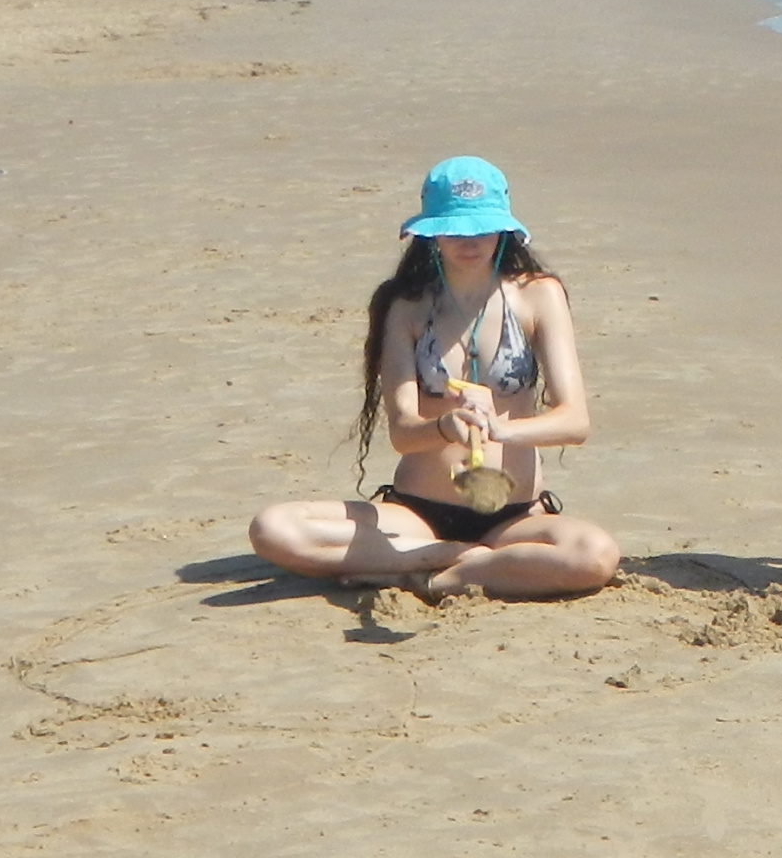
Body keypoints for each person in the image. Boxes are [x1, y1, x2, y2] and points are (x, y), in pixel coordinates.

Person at [245, 156, 622, 601]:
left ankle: (435, 577)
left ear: (503, 228)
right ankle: (449, 557)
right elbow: (403, 433)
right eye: (455, 230)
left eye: (482, 228)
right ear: (432, 233)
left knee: (594, 555)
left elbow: (574, 422)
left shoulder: (538, 295)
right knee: (273, 528)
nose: (470, 241)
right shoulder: (404, 306)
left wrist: (502, 430)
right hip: (418, 516)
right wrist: (445, 425)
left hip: (515, 516)